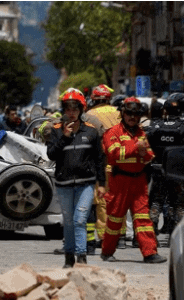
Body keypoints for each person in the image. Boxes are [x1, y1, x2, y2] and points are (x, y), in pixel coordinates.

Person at [101, 97, 167, 264]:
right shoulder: (113, 132)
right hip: (119, 181)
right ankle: (107, 251)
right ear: (123, 113)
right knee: (115, 218)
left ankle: (150, 253)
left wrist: (145, 154)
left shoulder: (141, 133)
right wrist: (136, 148)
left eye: (135, 114)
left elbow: (149, 156)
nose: (132, 117)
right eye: (129, 113)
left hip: (139, 182)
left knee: (143, 218)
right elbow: (114, 155)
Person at [46, 88, 106, 267]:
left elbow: (99, 159)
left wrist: (101, 183)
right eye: (68, 109)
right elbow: (51, 154)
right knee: (69, 222)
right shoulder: (56, 130)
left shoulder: (91, 132)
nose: (71, 113)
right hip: (63, 184)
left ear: (81, 110)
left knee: (80, 219)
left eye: (75, 109)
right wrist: (64, 137)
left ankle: (81, 256)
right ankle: (69, 256)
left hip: (85, 183)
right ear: (64, 110)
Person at [145, 97, 184, 246]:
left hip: (158, 169)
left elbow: (148, 144)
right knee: (177, 203)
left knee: (156, 202)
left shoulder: (156, 125)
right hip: (177, 172)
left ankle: (152, 235)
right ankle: (174, 236)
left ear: (165, 110)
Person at [83, 84, 123, 251]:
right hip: (121, 160)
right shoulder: (118, 113)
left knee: (101, 201)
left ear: (93, 99)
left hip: (101, 161)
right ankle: (120, 236)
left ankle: (105, 236)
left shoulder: (89, 115)